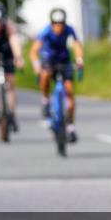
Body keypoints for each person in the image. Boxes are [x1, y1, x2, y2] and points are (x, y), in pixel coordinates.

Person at [30, 8, 84, 142]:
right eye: (55, 24)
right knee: (45, 74)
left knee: (70, 91)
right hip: (49, 60)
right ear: (52, 23)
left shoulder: (69, 30)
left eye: (61, 24)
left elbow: (76, 45)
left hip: (64, 61)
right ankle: (45, 100)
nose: (58, 27)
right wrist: (36, 64)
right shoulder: (46, 31)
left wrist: (79, 59)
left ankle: (71, 126)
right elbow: (34, 50)